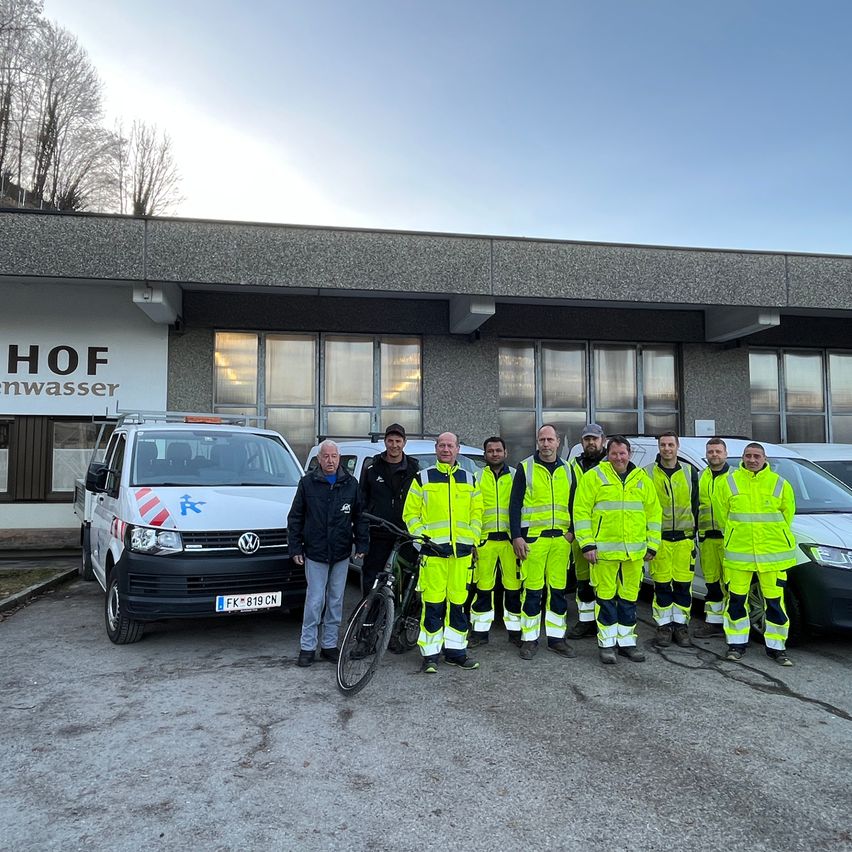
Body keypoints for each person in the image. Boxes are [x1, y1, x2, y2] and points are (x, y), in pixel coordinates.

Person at [574, 436, 662, 664]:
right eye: (614, 453)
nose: (619, 458)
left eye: (623, 453)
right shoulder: (594, 477)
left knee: (628, 600)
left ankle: (627, 643)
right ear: (608, 454)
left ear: (629, 454)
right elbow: (581, 512)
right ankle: (607, 645)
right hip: (603, 553)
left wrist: (652, 544)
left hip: (634, 553)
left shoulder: (642, 480)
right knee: (605, 599)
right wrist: (587, 543)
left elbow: (654, 515)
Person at [403, 432, 483, 672]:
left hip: (461, 556)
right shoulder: (423, 478)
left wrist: (472, 540)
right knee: (433, 605)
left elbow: (477, 514)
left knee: (458, 605)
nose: (446, 449)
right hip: (434, 555)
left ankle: (456, 652)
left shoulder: (470, 480)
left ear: (458, 449)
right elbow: (410, 514)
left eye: (450, 445)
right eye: (442, 445)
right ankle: (430, 656)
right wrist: (422, 541)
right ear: (436, 449)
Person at [713, 442, 797, 666]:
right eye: (748, 456)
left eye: (756, 456)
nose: (752, 460)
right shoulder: (728, 483)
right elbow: (723, 517)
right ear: (742, 457)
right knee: (736, 602)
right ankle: (736, 644)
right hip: (739, 555)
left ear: (764, 458)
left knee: (775, 603)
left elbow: (788, 516)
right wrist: (735, 536)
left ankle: (777, 648)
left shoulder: (780, 484)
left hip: (772, 556)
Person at [288, 440, 368, 668]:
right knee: (314, 601)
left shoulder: (350, 484)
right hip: (315, 552)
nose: (330, 460)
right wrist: (295, 547)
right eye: (326, 456)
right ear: (319, 459)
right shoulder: (307, 483)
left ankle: (329, 646)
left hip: (341, 553)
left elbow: (360, 517)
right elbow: (295, 517)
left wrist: (362, 544)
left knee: (335, 601)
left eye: (334, 456)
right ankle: (307, 647)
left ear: (339, 458)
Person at [508, 424, 576, 661]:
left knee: (558, 592)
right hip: (533, 542)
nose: (545, 444)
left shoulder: (568, 469)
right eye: (542, 440)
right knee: (532, 592)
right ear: (537, 442)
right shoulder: (525, 467)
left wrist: (572, 533)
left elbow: (576, 505)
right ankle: (529, 639)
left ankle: (557, 639)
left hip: (560, 541)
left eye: (550, 439)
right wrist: (517, 536)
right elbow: (514, 505)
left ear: (558, 442)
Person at [645, 432, 699, 648]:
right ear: (659, 447)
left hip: (685, 539)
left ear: (677, 446)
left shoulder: (690, 472)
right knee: (662, 586)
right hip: (661, 539)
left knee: (683, 586)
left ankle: (681, 626)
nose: (667, 448)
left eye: (670, 444)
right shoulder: (647, 473)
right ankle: (664, 627)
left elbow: (696, 504)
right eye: (663, 445)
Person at [469, 436, 520, 647]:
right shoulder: (476, 477)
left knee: (514, 589)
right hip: (485, 542)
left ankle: (516, 633)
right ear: (485, 455)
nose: (495, 454)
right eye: (490, 451)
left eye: (498, 450)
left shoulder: (517, 476)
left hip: (510, 542)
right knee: (482, 589)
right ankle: (480, 634)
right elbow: (470, 512)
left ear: (505, 453)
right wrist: (472, 541)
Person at [359, 423, 420, 596]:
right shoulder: (372, 468)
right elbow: (362, 501)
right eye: (390, 441)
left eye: (398, 441)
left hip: (405, 533)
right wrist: (363, 531)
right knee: (373, 577)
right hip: (378, 531)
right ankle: (369, 618)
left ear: (404, 442)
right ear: (385, 442)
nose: (394, 445)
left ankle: (396, 618)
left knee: (404, 578)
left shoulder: (414, 469)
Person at [566, 423, 607, 639]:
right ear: (582, 442)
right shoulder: (573, 465)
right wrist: (572, 529)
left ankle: (606, 622)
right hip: (581, 533)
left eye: (595, 439)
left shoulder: (614, 463)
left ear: (603, 440)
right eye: (587, 439)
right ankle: (586, 621)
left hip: (607, 534)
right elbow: (569, 499)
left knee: (607, 583)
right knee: (583, 581)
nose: (591, 443)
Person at [692, 437, 730, 638]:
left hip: (730, 540)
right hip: (707, 539)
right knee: (712, 582)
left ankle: (734, 624)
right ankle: (714, 623)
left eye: (718, 451)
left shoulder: (736, 477)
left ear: (725, 453)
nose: (714, 455)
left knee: (733, 584)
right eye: (711, 452)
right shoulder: (700, 476)